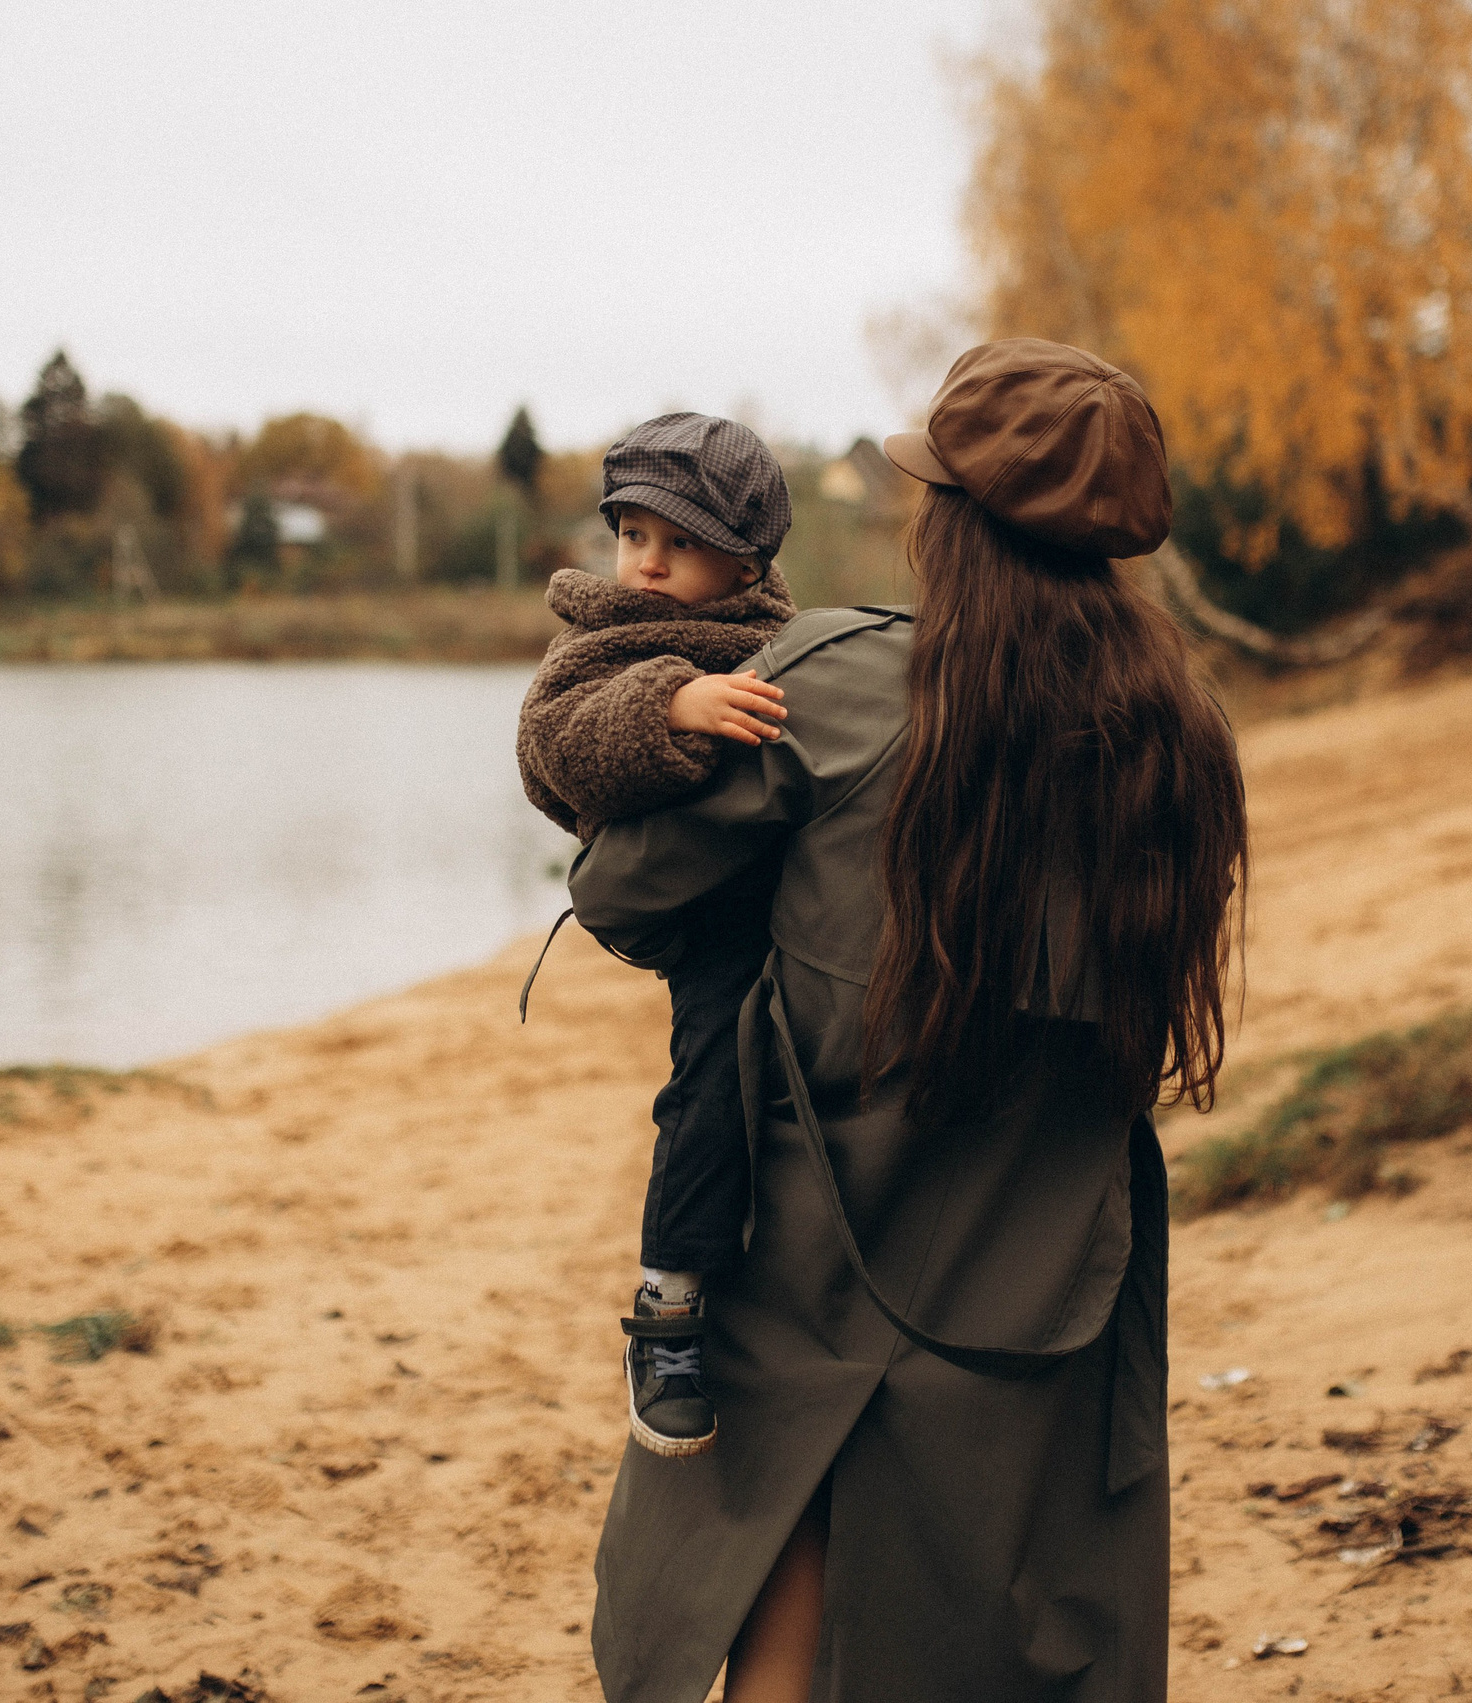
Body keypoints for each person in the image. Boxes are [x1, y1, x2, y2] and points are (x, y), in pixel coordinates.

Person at [570, 340, 1249, 1703]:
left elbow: (617, 890)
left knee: (784, 1557)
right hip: (1048, 1267)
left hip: (819, 1237)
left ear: (953, 519)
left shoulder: (839, 682)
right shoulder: (1185, 737)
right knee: (1008, 1625)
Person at [516, 411, 800, 1458]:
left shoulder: (786, 645)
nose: (645, 563)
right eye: (633, 534)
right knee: (715, 1074)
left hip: (804, 898)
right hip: (704, 916)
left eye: (677, 543)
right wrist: (670, 704)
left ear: (747, 555)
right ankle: (669, 1307)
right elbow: (550, 743)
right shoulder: (604, 640)